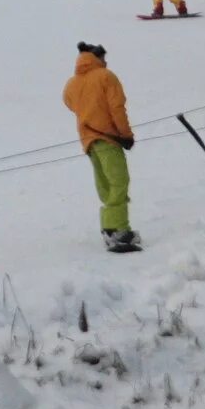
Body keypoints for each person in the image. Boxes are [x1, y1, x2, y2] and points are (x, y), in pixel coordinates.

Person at [62, 43, 138, 252]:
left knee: (104, 183)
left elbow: (69, 103)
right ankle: (119, 230)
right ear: (97, 59)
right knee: (119, 181)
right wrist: (126, 134)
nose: (106, 62)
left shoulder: (72, 83)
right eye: (104, 58)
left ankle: (109, 227)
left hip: (88, 140)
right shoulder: (106, 76)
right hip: (109, 138)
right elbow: (117, 107)